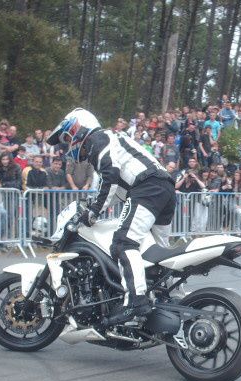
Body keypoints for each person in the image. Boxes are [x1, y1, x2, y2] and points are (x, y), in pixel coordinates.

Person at [46, 108, 175, 326]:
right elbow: (117, 189)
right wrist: (94, 207)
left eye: (68, 138)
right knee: (158, 251)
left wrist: (93, 212)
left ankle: (136, 301)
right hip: (163, 188)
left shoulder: (99, 139)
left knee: (123, 244)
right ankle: (170, 295)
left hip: (147, 187)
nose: (68, 145)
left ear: (79, 128)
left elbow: (111, 180)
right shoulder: (111, 140)